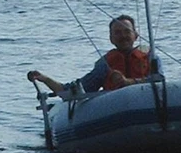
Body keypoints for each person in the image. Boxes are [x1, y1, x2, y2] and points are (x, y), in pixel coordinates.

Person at [27, 14, 156, 94]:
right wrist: (45, 79)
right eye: (117, 33)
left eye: (127, 31)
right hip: (116, 109)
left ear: (136, 35)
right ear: (111, 39)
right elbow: (78, 89)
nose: (123, 36)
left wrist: (128, 82)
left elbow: (159, 81)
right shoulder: (105, 64)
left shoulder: (150, 56)